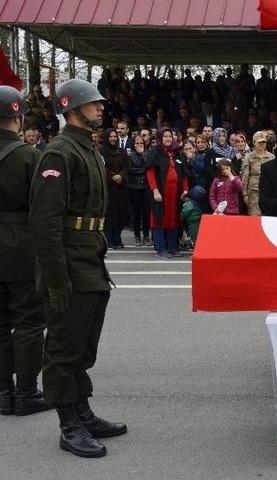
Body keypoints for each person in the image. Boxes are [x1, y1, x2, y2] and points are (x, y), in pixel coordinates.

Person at [29, 79, 127, 458]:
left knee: (84, 343)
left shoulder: (87, 148)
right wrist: (56, 281)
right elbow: (45, 223)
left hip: (90, 258)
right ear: (73, 109)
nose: (101, 108)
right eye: (93, 104)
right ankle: (68, 423)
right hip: (69, 263)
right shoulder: (59, 153)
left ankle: (82, 411)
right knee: (64, 347)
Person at [0, 86, 50, 417]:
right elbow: (42, 207)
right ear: (17, 118)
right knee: (30, 319)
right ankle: (27, 392)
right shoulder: (29, 155)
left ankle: (3, 392)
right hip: (20, 243)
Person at [146, 128, 189, 259]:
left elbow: (185, 174)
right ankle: (160, 249)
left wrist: (185, 190)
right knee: (158, 219)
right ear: (160, 138)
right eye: (165, 136)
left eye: (170, 136)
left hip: (175, 194)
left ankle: (173, 247)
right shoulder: (155, 152)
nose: (168, 139)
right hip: (160, 192)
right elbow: (150, 172)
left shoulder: (178, 153)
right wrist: (155, 190)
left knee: (173, 219)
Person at [100, 129, 130, 249]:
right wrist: (112, 176)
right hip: (109, 188)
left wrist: (121, 176)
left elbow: (126, 166)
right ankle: (109, 239)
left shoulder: (121, 151)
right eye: (110, 136)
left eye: (114, 136)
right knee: (110, 214)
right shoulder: (102, 152)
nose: (113, 138)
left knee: (120, 212)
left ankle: (117, 238)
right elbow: (102, 167)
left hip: (121, 187)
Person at [241, 131, 275, 216]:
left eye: (264, 142)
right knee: (255, 217)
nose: (262, 144)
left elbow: (275, 176)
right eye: (259, 142)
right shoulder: (248, 157)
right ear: (254, 142)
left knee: (268, 216)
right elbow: (245, 176)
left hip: (269, 192)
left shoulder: (271, 157)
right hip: (253, 192)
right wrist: (244, 194)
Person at [127, 134, 151, 246]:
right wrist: (142, 170)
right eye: (137, 143)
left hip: (146, 186)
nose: (139, 145)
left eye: (141, 143)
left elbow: (149, 166)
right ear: (133, 144)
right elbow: (130, 170)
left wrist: (142, 154)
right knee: (136, 213)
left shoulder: (147, 154)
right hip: (134, 186)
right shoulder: (130, 155)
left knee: (146, 212)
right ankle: (137, 236)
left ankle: (146, 235)